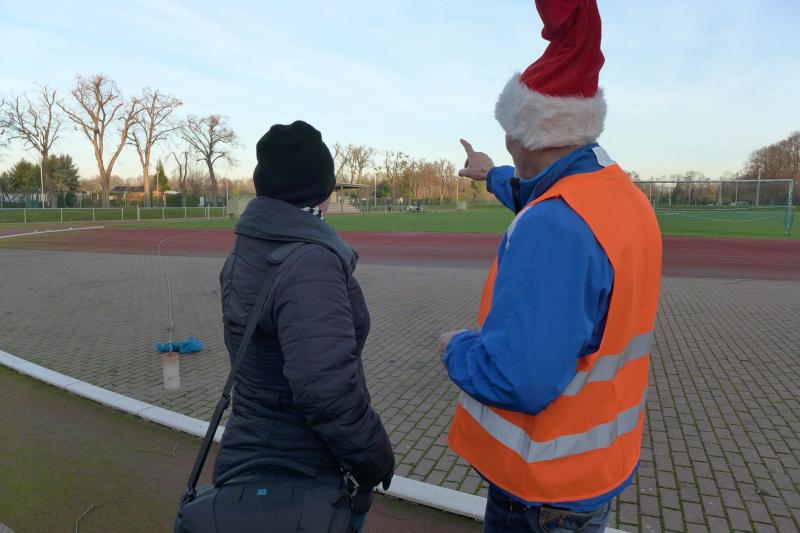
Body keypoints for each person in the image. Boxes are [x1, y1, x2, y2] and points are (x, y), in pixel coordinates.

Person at [438, 2, 662, 532]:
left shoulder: (555, 225)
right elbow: (540, 194)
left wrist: (455, 347)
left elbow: (518, 379)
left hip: (540, 491)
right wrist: (490, 175)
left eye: (508, 129)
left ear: (525, 133)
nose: (507, 140)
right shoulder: (617, 195)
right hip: (593, 471)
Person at [213, 120, 394, 532]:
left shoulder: (248, 247)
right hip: (302, 470)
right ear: (323, 188)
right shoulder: (310, 260)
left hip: (247, 451)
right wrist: (374, 456)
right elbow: (325, 389)